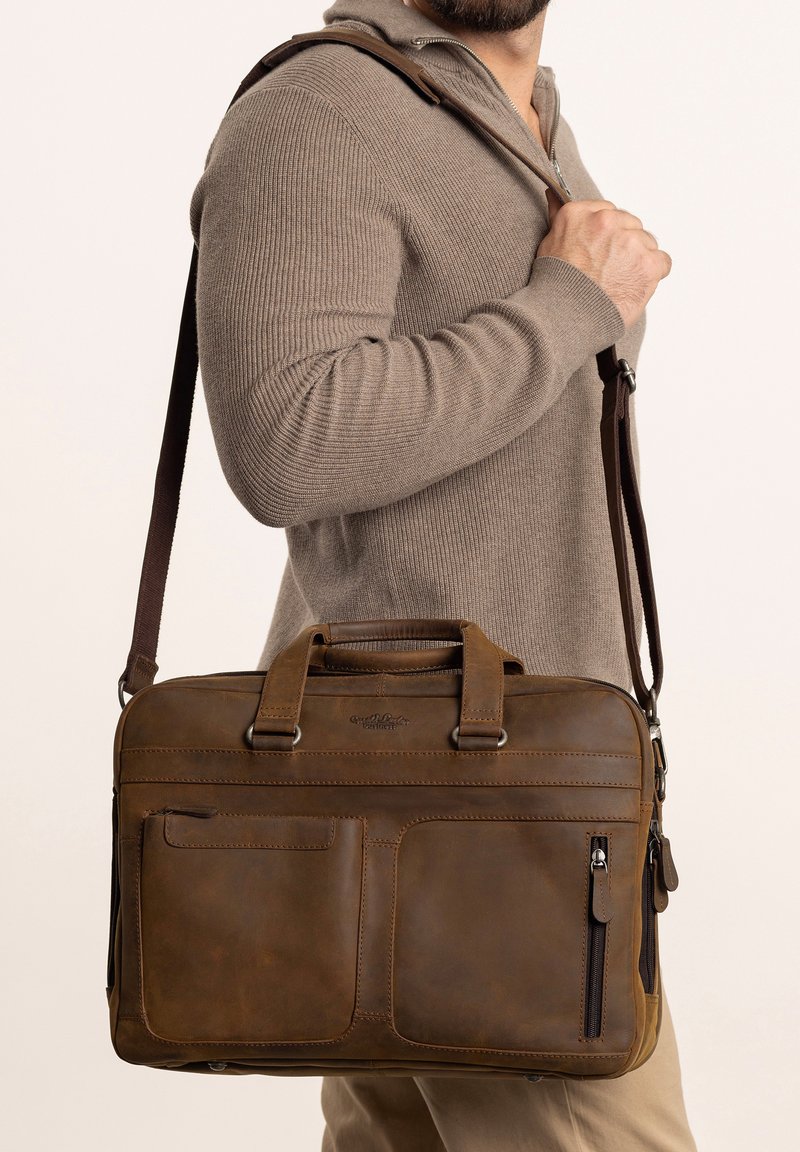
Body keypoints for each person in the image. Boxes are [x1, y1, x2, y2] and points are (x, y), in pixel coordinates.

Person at [189, 0, 696, 1147]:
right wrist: (567, 304)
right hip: (468, 820)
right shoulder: (325, 107)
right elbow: (285, 442)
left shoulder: (526, 119)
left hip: (517, 794)